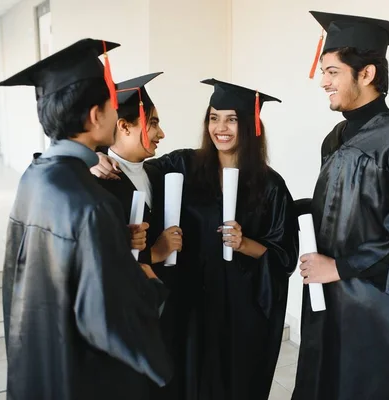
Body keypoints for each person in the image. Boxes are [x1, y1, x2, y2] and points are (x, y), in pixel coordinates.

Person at [94, 78, 299, 400]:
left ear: (249, 125)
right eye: (214, 117)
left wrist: (244, 243)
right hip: (188, 303)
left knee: (232, 383)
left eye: (232, 119)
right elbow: (129, 167)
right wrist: (94, 157)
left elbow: (284, 256)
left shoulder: (270, 186)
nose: (221, 128)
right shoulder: (182, 165)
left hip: (239, 306)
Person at [0, 38, 172, 400]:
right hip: (81, 375)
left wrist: (111, 240)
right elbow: (109, 318)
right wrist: (150, 282)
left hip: (38, 359)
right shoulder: (91, 203)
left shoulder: (35, 177)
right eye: (111, 106)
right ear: (96, 116)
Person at [291, 12, 389, 400]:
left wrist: (339, 267)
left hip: (371, 313)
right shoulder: (335, 138)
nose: (322, 81)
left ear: (367, 74)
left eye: (332, 72)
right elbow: (343, 212)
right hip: (327, 300)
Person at [92, 72, 185, 400]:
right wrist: (155, 254)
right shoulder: (98, 182)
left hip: (160, 313)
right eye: (154, 122)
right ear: (124, 125)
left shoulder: (155, 173)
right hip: (123, 321)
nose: (161, 133)